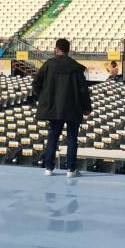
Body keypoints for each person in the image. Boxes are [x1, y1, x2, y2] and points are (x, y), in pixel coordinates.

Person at [32, 38, 92, 178]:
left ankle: (49, 168)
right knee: (72, 138)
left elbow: (36, 84)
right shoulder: (76, 67)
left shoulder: (48, 65)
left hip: (54, 108)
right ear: (68, 50)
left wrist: (43, 98)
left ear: (56, 49)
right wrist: (87, 107)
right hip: (73, 108)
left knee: (53, 137)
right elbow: (83, 90)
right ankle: (71, 170)